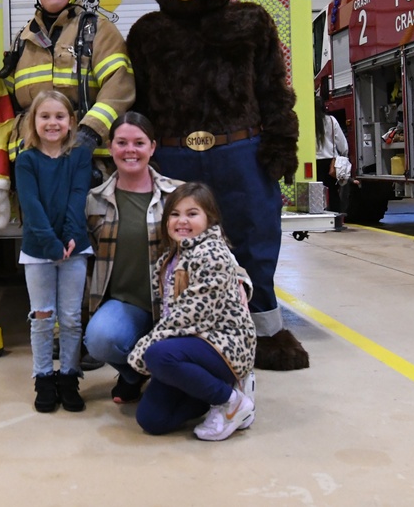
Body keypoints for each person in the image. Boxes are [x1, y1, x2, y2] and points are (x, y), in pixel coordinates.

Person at [128, 182, 256, 441]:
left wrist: (143, 349)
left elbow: (192, 315)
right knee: (151, 420)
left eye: (192, 214)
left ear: (210, 219)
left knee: (157, 356)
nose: (182, 221)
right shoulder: (172, 256)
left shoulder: (212, 254)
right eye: (175, 214)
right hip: (190, 344)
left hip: (224, 344)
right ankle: (212, 397)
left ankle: (231, 402)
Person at [1, 0, 135, 162]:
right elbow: (5, 105)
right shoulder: (22, 40)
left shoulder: (98, 30)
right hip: (32, 163)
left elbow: (119, 89)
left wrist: (89, 133)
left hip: (86, 162)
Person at [84, 112, 181, 403]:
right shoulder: (94, 201)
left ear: (152, 147)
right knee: (99, 339)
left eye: (139, 143)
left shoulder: (178, 195)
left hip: (174, 308)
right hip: (127, 305)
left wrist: (239, 280)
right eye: (122, 142)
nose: (130, 150)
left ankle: (167, 377)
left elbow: (216, 245)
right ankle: (133, 374)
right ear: (110, 147)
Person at [15, 91, 93, 413]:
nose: (52, 123)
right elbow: (31, 207)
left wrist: (71, 236)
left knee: (72, 318)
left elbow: (78, 196)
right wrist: (50, 244)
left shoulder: (80, 155)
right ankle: (44, 377)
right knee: (43, 316)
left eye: (59, 116)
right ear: (33, 122)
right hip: (38, 251)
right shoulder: (26, 160)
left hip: (74, 248)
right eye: (44, 116)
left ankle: (70, 376)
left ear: (71, 122)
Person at [315, 97, 350, 213]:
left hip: (314, 161)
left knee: (317, 192)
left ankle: (318, 214)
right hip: (331, 161)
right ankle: (336, 219)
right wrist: (344, 154)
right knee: (333, 191)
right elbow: (342, 143)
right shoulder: (331, 120)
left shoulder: (309, 121)